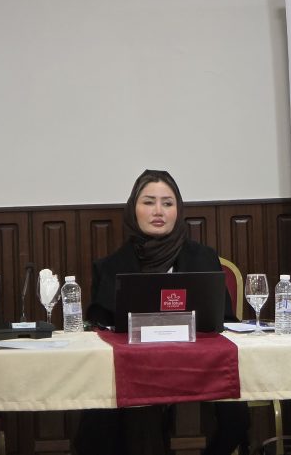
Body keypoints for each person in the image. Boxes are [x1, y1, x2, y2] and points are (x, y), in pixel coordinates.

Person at [76, 169, 249, 455]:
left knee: (236, 413)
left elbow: (224, 320)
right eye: (149, 202)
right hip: (138, 368)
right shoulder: (110, 266)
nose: (158, 211)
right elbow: (100, 328)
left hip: (198, 367)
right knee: (105, 413)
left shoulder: (203, 257)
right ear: (133, 209)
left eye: (167, 203)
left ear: (178, 210)